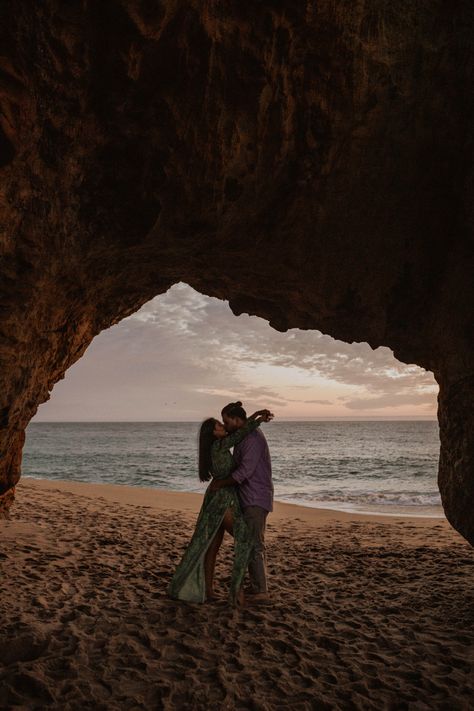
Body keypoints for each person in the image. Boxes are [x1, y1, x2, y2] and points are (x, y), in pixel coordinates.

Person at [168, 408, 272, 605]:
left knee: (211, 546)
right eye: (219, 424)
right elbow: (241, 432)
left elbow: (241, 430)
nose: (223, 426)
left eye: (224, 422)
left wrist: (256, 416)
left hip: (217, 498)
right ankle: (238, 591)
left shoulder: (217, 446)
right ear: (212, 434)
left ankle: (208, 590)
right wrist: (257, 418)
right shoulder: (220, 445)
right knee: (244, 540)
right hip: (222, 498)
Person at [209, 401, 274, 604]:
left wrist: (221, 483)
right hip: (247, 497)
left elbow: (244, 472)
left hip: (256, 497)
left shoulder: (252, 439)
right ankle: (256, 586)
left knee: (254, 543)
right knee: (250, 542)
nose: (225, 425)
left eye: (227, 421)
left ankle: (261, 591)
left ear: (237, 420)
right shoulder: (243, 436)